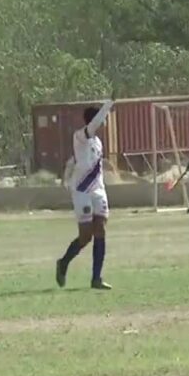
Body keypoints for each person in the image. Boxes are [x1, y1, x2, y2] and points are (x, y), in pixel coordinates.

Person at [56, 100, 114, 290]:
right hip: (81, 190)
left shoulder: (97, 142)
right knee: (85, 236)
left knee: (101, 229)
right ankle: (63, 262)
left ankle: (96, 278)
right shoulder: (80, 136)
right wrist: (109, 104)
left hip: (98, 189)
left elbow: (82, 162)